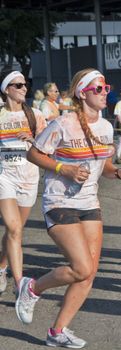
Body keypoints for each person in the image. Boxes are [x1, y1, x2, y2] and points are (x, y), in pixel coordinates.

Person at [16, 68, 121, 349]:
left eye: (106, 87)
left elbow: (104, 166)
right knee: (81, 267)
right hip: (59, 202)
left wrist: (118, 172)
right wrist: (64, 168)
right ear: (83, 93)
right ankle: (32, 288)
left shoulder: (106, 127)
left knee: (89, 272)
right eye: (98, 89)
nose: (105, 92)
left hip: (89, 204)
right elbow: (33, 153)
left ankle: (57, 331)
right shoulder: (63, 123)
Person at [0, 71, 46, 295]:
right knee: (13, 227)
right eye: (18, 85)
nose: (24, 88)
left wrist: (34, 140)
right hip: (4, 176)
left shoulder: (35, 115)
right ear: (7, 89)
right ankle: (20, 285)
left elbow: (50, 146)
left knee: (16, 231)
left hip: (28, 178)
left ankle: (1, 267)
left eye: (25, 85)